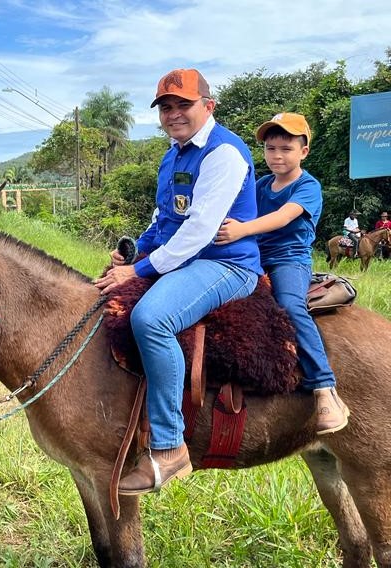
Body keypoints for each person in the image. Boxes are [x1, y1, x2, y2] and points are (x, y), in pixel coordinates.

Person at [94, 69, 262, 495]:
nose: (174, 114)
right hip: (187, 258)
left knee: (152, 318)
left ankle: (170, 448)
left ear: (208, 106)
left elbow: (199, 230)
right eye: (166, 107)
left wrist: (139, 271)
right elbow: (164, 219)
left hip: (225, 264)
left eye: (183, 104)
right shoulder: (173, 154)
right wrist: (135, 250)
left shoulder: (224, 153)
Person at [216, 112, 349, 436]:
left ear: (303, 151)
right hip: (253, 257)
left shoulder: (307, 186)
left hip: (288, 260)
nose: (277, 155)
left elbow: (282, 216)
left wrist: (242, 230)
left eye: (286, 148)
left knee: (290, 305)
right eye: (271, 148)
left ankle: (323, 388)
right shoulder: (261, 185)